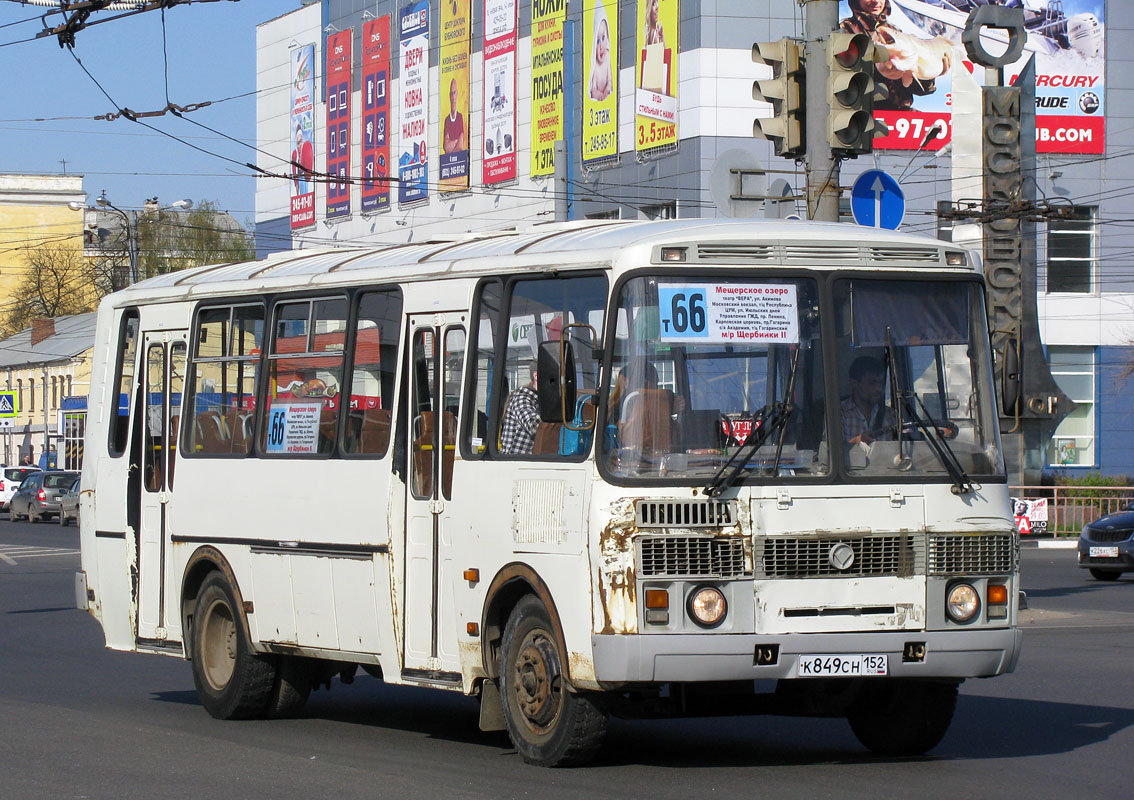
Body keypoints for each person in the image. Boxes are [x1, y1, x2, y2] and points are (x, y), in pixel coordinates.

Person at [839, 0, 948, 112]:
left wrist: (930, 73)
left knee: (936, 126)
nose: (876, 1)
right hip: (862, 115)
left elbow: (919, 89)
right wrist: (880, 66)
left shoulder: (895, 32)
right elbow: (843, 77)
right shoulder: (845, 30)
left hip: (900, 114)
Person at [841, 356, 894, 447]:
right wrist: (858, 441)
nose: (878, 389)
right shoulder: (839, 413)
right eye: (871, 383)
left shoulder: (891, 415)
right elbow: (831, 452)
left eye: (881, 383)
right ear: (854, 383)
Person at [500, 365, 540, 455]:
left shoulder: (539, 400)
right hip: (515, 461)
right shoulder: (522, 398)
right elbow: (533, 426)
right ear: (536, 376)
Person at [588, 6, 613, 102]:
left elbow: (610, 81)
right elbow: (593, 88)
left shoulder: (608, 58)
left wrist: (607, 90)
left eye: (603, 38)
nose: (601, 46)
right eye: (597, 41)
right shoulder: (595, 65)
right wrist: (598, 95)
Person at [443, 79, 466, 154]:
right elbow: (446, 148)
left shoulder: (460, 117)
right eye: (451, 94)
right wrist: (456, 141)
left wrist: (452, 143)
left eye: (454, 93)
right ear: (449, 96)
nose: (453, 97)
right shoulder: (447, 120)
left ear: (457, 94)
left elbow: (460, 146)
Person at [291, 124, 314, 194]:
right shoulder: (296, 159)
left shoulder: (306, 156)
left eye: (301, 141)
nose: (300, 145)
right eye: (298, 143)